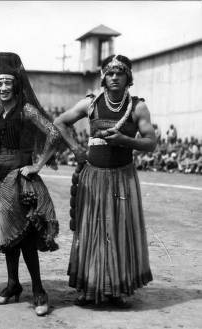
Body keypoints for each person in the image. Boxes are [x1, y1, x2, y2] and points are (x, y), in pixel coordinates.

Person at [0, 52, 84, 316]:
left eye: (7, 83)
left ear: (16, 85)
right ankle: (13, 285)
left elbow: (54, 132)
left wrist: (37, 165)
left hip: (20, 182)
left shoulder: (26, 110)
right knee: (7, 239)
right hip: (0, 184)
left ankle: (38, 290)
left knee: (24, 238)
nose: (2, 88)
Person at [54, 54, 156, 307]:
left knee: (119, 231)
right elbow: (60, 122)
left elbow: (151, 143)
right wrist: (76, 150)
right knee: (93, 232)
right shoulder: (91, 102)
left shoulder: (137, 106)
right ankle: (89, 288)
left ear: (128, 77)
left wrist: (126, 141)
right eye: (109, 73)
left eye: (119, 73)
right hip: (93, 177)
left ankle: (117, 290)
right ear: (103, 77)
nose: (114, 78)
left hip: (123, 178)